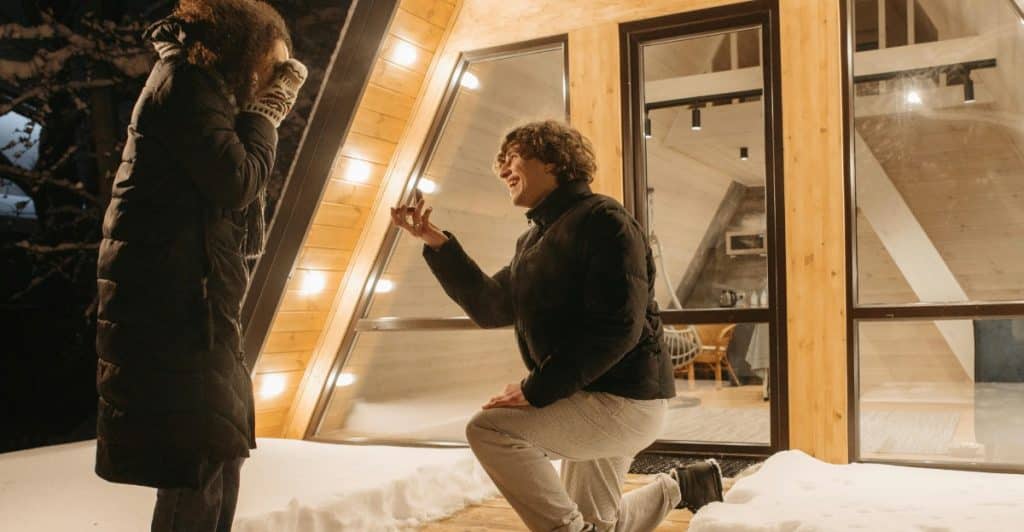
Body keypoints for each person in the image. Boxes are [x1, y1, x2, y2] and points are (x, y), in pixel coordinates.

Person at [391, 120, 724, 531]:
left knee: (490, 430)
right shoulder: (532, 242)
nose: (503, 170)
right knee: (599, 523)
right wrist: (437, 243)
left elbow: (618, 326)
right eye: (501, 163)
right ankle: (681, 486)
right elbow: (491, 307)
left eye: (512, 157)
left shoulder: (604, 220)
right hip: (587, 393)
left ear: (553, 160)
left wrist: (536, 389)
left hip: (623, 400)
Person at [94, 1, 306, 530]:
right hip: (176, 315)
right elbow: (237, 182)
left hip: (194, 308)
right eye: (269, 66)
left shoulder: (197, 85)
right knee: (199, 462)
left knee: (219, 456)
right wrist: (266, 114)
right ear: (240, 49)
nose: (269, 80)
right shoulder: (186, 84)